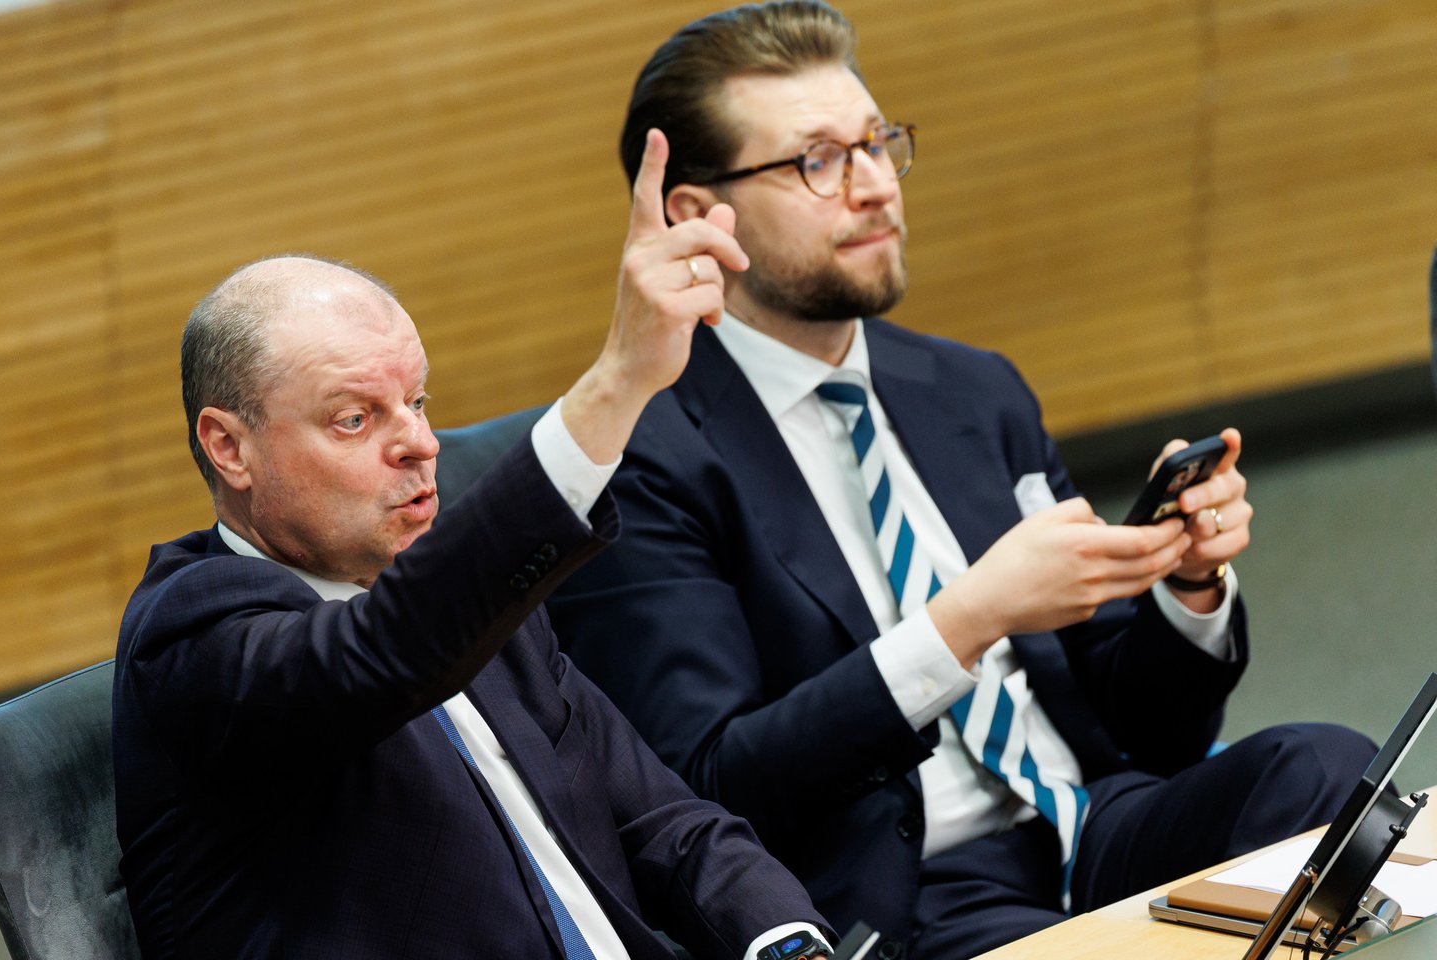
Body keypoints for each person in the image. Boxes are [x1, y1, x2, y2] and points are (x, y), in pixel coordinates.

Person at [544, 4, 1378, 958]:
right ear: (700, 216)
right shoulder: (645, 457)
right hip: (909, 888)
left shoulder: (972, 391)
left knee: (1327, 772)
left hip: (1089, 827)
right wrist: (966, 621)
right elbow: (711, 784)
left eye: (876, 145)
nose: (874, 188)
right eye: (819, 162)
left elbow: (1154, 734)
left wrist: (1187, 588)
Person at [111, 131, 838, 959]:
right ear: (229, 448)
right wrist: (617, 382)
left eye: (417, 402)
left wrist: (786, 944)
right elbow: (380, 652)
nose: (420, 444)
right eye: (355, 418)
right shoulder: (194, 635)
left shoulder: (485, 617)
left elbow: (661, 820)